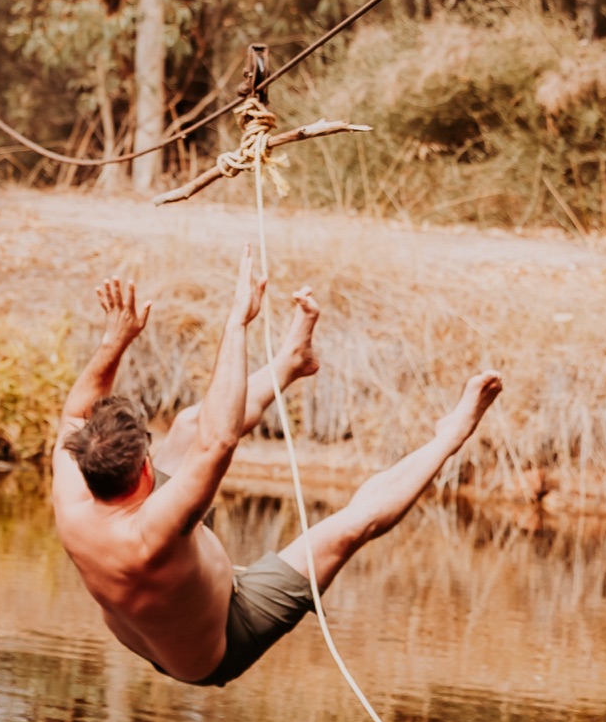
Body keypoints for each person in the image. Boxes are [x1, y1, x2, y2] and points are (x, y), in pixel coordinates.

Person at [52, 248, 502, 686]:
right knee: (344, 530)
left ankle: (292, 362)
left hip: (168, 604)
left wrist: (115, 339)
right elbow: (219, 441)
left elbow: (76, 412)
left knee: (189, 425)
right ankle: (449, 437)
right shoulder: (154, 530)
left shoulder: (73, 491)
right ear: (146, 473)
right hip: (218, 644)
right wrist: (237, 323)